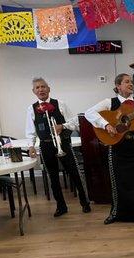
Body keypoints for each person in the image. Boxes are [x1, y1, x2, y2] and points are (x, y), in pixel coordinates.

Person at [85, 73, 134, 224]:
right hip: (119, 146)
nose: (130, 84)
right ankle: (117, 214)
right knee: (120, 181)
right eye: (127, 82)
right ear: (118, 86)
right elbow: (89, 113)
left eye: (131, 82)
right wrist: (106, 124)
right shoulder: (109, 102)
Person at [26, 77, 90, 217]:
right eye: (37, 88)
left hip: (63, 143)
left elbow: (74, 123)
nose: (41, 89)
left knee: (74, 173)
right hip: (46, 145)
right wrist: (31, 146)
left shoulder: (60, 104)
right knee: (53, 177)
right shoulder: (31, 109)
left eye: (43, 86)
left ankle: (85, 202)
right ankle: (61, 206)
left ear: (49, 88)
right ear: (33, 91)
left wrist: (63, 126)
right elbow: (30, 131)